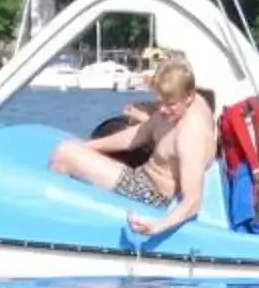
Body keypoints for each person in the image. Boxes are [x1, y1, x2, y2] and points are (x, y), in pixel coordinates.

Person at [50, 58, 216, 247]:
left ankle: (52, 225)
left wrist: (157, 227)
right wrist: (88, 146)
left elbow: (193, 201)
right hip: (141, 176)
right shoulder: (180, 106)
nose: (163, 109)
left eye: (170, 104)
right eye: (160, 101)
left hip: (150, 193)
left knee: (64, 155)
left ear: (189, 97)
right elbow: (139, 135)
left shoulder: (190, 134)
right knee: (76, 150)